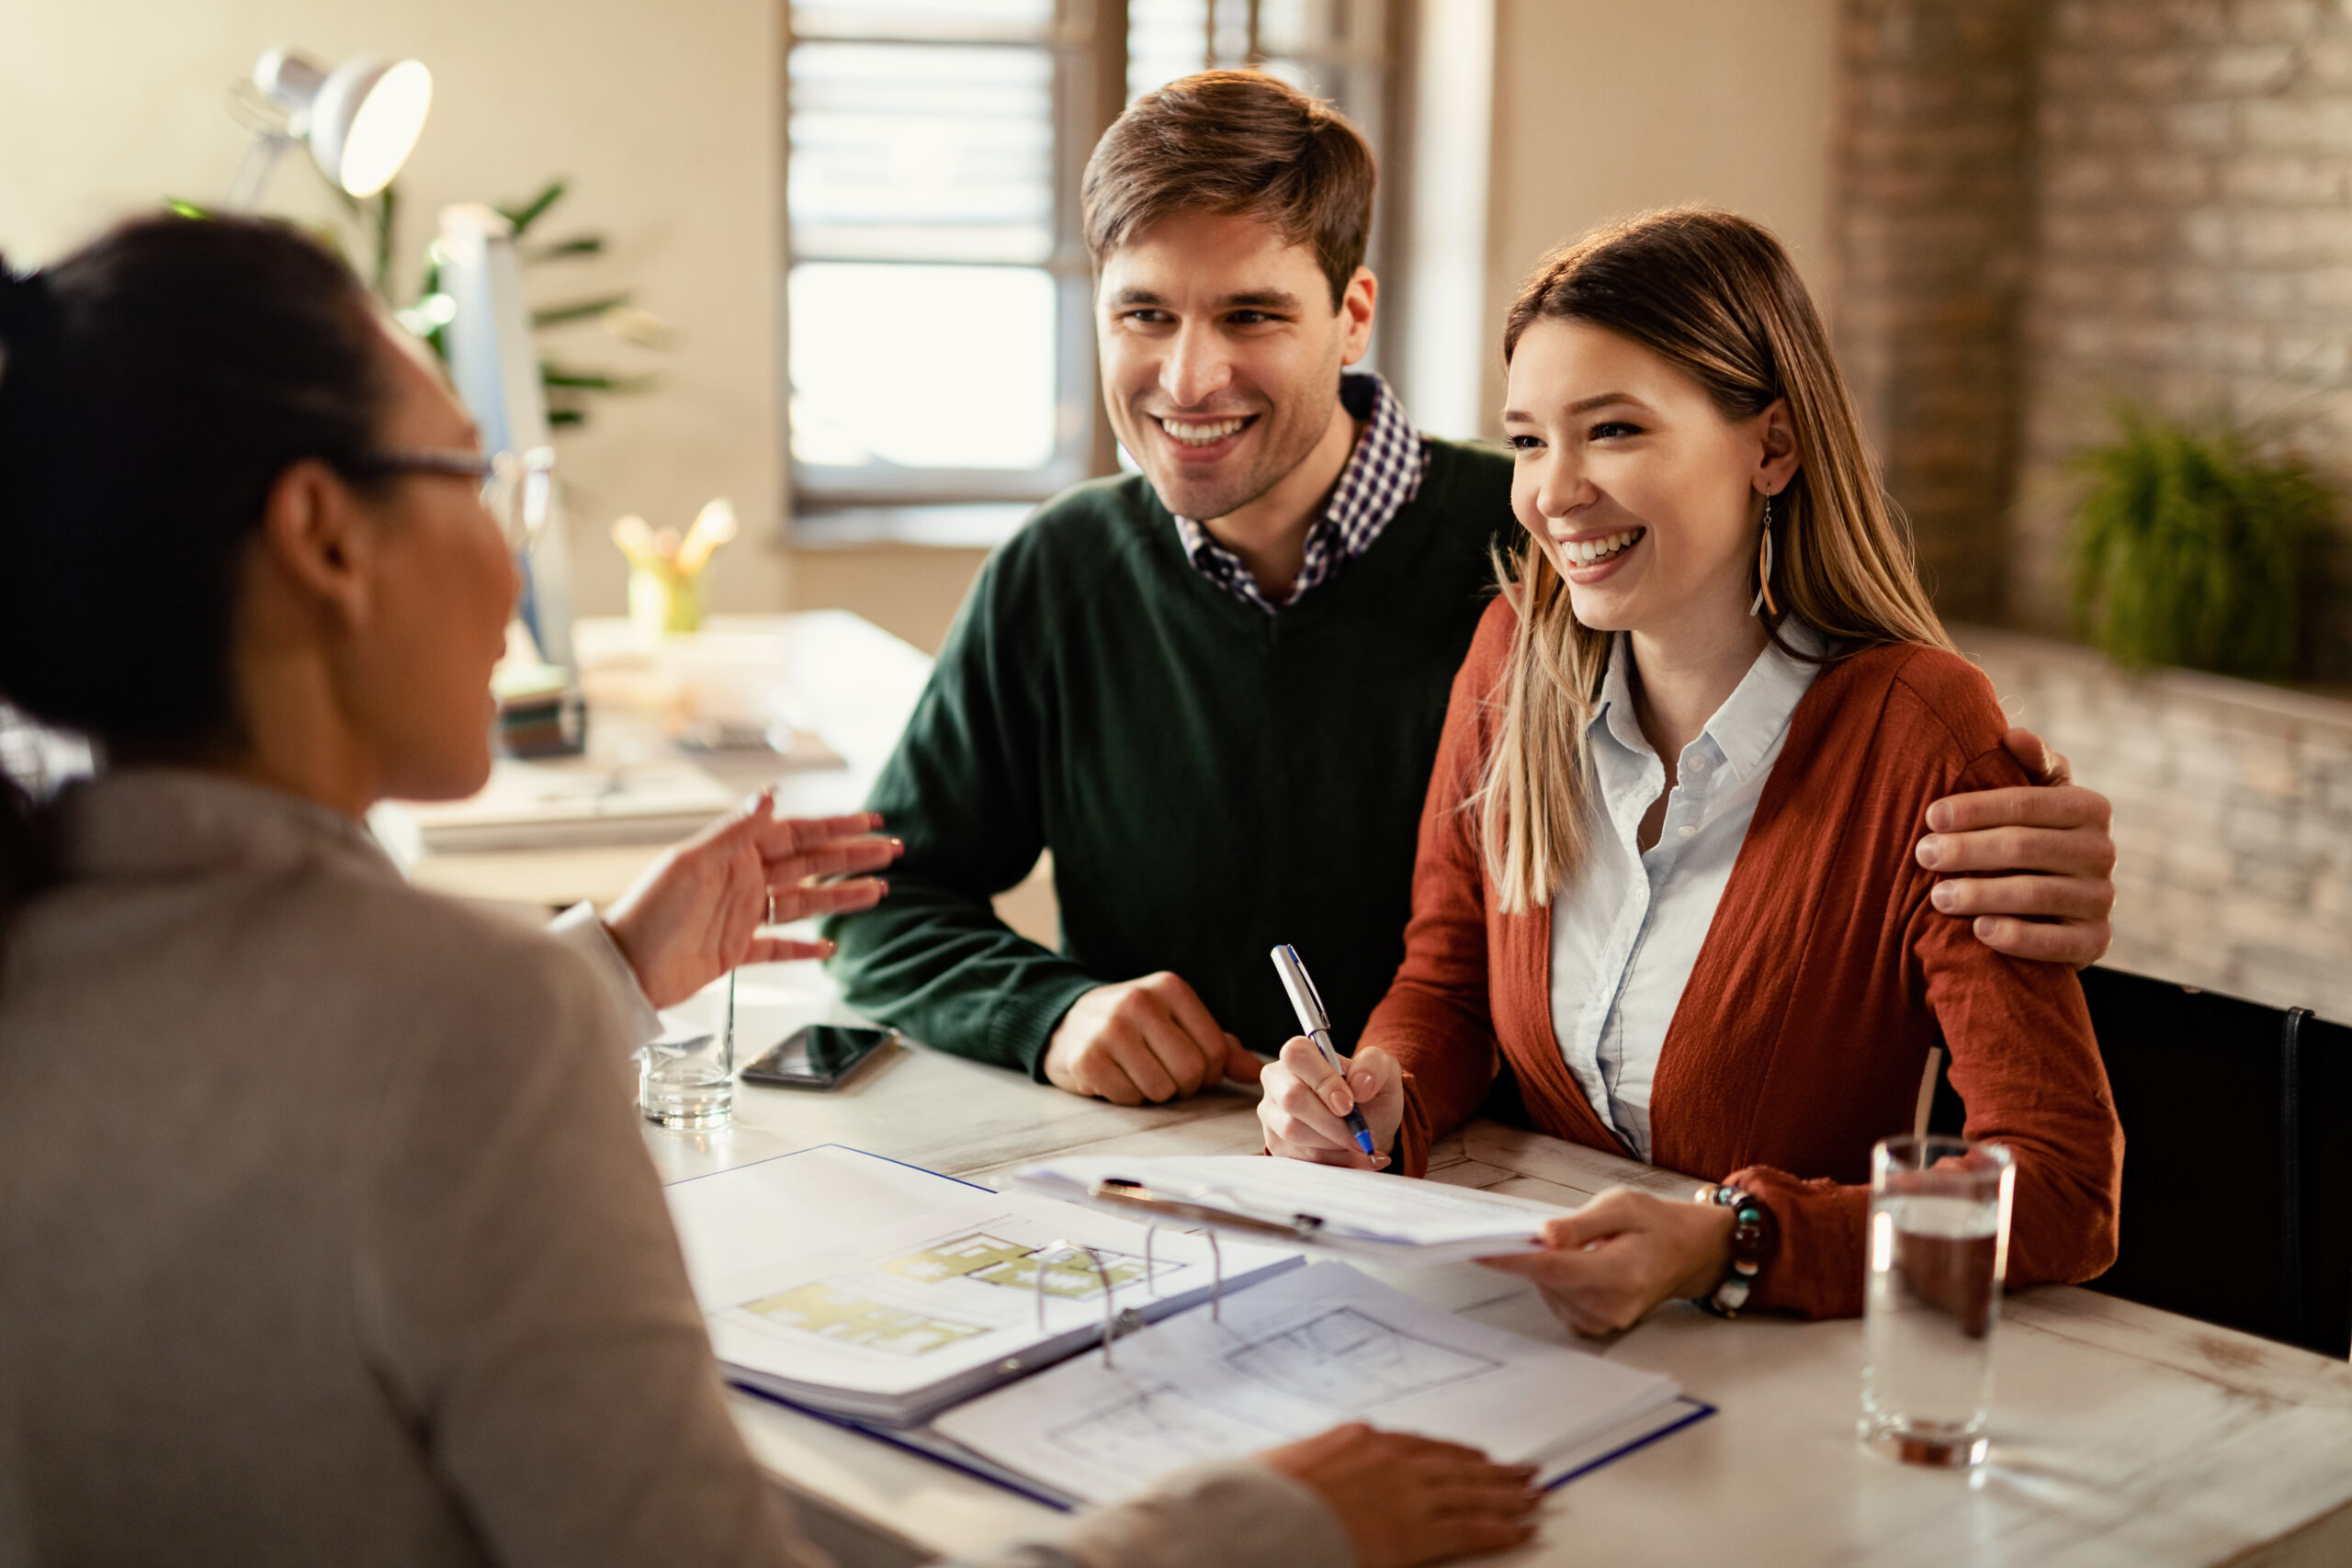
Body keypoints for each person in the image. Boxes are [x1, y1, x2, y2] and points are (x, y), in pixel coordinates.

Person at [0, 214, 1542, 1567]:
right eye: (473, 472)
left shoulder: (50, 934)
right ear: (324, 538)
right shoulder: (470, 1023)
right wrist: (1258, 1528)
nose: (511, 545)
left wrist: (604, 964)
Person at [826, 72, 2122, 1109]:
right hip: (1189, 1186)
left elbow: (1802, 783)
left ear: (1354, 314)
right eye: (1145, 313)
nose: (1188, 375)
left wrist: (2003, 829)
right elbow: (884, 907)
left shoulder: (1559, 569)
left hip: (1515, 1195)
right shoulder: (1059, 573)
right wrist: (1055, 1012)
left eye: (1254, 315)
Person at [1256, 209, 2126, 1325]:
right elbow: (1447, 981)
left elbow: (2059, 1187)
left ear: (1771, 446)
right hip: (1529, 1337)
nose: (1552, 492)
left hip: (1792, 1386)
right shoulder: (1512, 663)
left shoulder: (1921, 733)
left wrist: (1736, 1240)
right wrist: (1383, 1091)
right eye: (1528, 440)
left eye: (1612, 430)